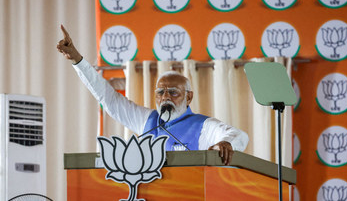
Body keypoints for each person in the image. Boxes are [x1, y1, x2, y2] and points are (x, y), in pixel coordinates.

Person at [57, 25, 249, 165]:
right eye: (160, 92)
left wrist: (225, 143)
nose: (166, 97)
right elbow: (109, 99)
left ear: (189, 97)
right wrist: (78, 60)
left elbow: (239, 136)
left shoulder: (203, 126)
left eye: (173, 92)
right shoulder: (148, 121)